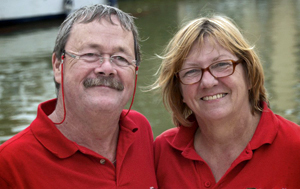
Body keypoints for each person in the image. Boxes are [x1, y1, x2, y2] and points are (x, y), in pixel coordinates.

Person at [0, 4, 158, 189]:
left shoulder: (140, 130)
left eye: (121, 58)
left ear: (135, 72)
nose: (106, 68)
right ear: (58, 66)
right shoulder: (9, 165)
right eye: (90, 54)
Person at [152, 15, 300, 188]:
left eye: (222, 65)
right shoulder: (162, 153)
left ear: (249, 75)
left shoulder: (295, 147)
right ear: (180, 91)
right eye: (191, 71)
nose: (208, 82)